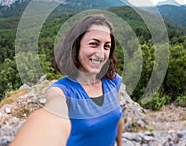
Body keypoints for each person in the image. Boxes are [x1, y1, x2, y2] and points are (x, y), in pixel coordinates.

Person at [11, 14, 123, 146]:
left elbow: (117, 117)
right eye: (94, 44)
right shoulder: (60, 92)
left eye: (106, 47)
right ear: (76, 46)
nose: (101, 53)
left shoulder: (113, 81)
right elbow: (51, 119)